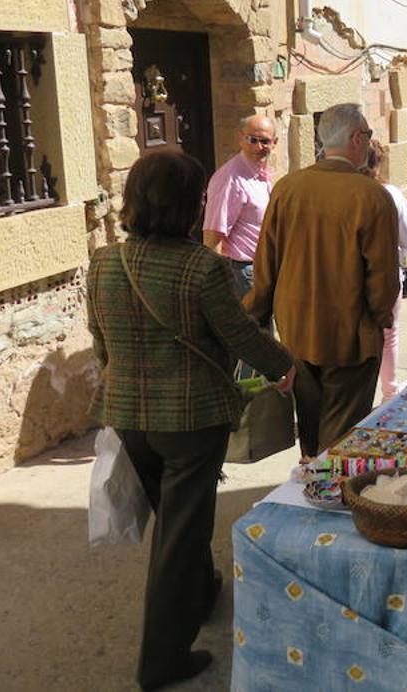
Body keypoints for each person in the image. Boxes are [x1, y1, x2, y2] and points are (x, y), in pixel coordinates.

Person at [86, 149, 295, 691]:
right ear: (187, 204)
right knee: (179, 537)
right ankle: (160, 660)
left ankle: (200, 594)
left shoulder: (105, 261)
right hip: (191, 422)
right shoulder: (202, 267)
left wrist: (124, 380)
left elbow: (101, 342)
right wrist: (285, 367)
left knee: (179, 520)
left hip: (129, 417)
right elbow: (242, 334)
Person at [245, 103, 400, 458]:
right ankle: (328, 491)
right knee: (341, 432)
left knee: (310, 427)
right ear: (357, 139)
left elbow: (264, 263)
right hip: (350, 335)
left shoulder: (287, 188)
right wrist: (379, 320)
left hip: (297, 331)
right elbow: (382, 277)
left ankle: (308, 482)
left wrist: (257, 317)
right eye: (369, 135)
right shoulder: (371, 196)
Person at [360, 140, 407, 402]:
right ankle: (389, 391)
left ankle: (357, 398)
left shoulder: (336, 193)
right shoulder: (391, 195)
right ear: (378, 162)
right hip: (384, 276)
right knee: (388, 334)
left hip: (344, 278)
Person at [203, 115, 278, 297]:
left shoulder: (261, 173)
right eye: (252, 140)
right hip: (244, 273)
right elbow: (214, 234)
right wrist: (217, 287)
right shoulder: (230, 179)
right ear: (240, 139)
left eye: (265, 141)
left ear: (274, 143)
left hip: (264, 268)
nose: (258, 147)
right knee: (253, 325)